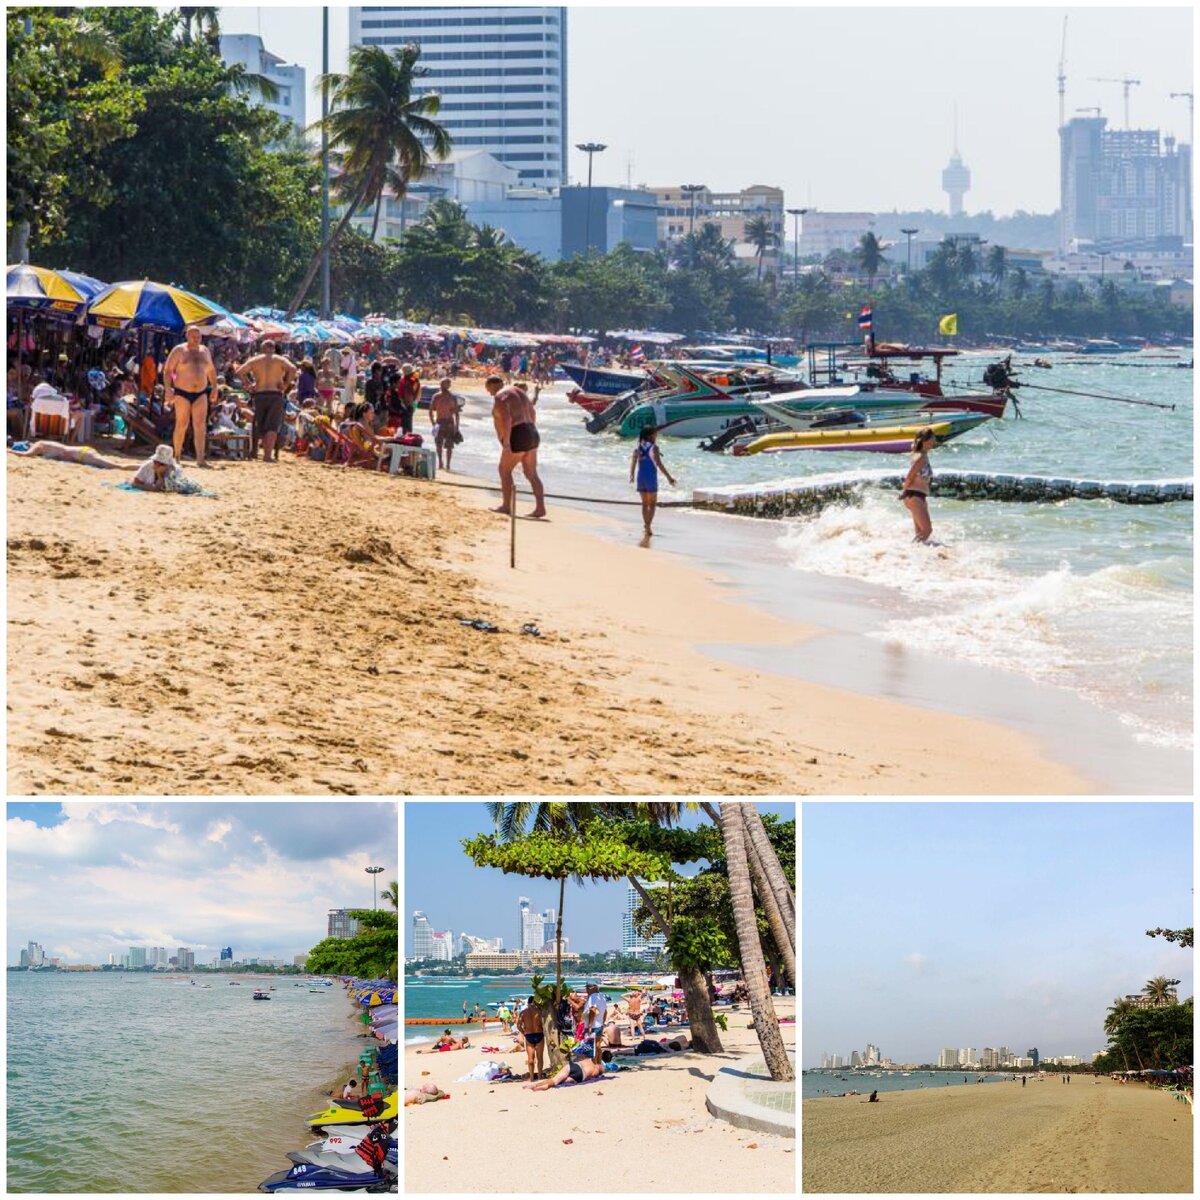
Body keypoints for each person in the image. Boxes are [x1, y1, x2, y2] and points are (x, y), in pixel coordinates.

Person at [485, 374, 546, 518]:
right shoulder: (519, 392)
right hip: (532, 432)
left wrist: (506, 442)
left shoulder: (500, 396)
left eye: (488, 389)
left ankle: (506, 506)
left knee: (504, 470)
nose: (489, 393)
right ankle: (540, 507)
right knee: (531, 473)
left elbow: (506, 418)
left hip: (517, 433)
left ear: (494, 384)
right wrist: (529, 430)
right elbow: (533, 412)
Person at [163, 325, 219, 468]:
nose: (196, 339)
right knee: (182, 423)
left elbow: (211, 370)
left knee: (200, 425)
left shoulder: (205, 351)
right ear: (187, 336)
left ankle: (200, 458)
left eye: (199, 337)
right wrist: (168, 389)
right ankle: (177, 456)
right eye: (194, 336)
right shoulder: (179, 350)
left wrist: (215, 387)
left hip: (201, 391)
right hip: (182, 391)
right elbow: (168, 370)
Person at [232, 340, 296, 462]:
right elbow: (292, 369)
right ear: (273, 348)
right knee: (272, 425)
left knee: (259, 423)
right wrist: (286, 384)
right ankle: (267, 456)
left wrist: (248, 384)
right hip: (275, 393)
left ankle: (255, 453)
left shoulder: (255, 360)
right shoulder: (280, 359)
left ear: (262, 348)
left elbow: (239, 371)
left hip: (260, 394)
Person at [629, 425, 676, 537]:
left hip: (641, 477)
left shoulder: (638, 448)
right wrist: (669, 478)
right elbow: (659, 464)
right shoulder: (654, 448)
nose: (656, 436)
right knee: (652, 504)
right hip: (651, 477)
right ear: (650, 436)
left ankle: (646, 525)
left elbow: (634, 462)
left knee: (645, 504)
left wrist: (631, 475)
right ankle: (648, 526)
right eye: (655, 434)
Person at [899, 427, 936, 543]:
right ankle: (909, 551)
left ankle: (916, 555)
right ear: (926, 440)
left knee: (920, 533)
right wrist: (903, 491)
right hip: (914, 496)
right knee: (927, 530)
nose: (934, 441)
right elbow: (910, 475)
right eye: (933, 439)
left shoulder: (922, 455)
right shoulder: (920, 457)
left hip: (918, 496)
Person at [10, 440, 136, 470]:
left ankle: (145, 465)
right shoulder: (44, 443)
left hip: (81, 454)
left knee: (119, 467)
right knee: (116, 465)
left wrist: (9, 451)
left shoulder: (38, 445)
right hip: (82, 451)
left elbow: (26, 455)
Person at [523, 1051, 610, 1091]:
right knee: (557, 1082)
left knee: (555, 1079)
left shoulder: (592, 1059)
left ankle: (534, 1085)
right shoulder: (599, 1069)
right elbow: (595, 1076)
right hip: (581, 1075)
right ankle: (541, 1087)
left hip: (576, 1066)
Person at [429, 377, 462, 470]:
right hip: (449, 423)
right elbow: (456, 413)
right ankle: (446, 464)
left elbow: (431, 411)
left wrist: (433, 423)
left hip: (441, 422)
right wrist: (457, 427)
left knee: (440, 445)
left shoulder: (437, 396)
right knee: (448, 446)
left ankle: (441, 463)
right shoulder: (452, 397)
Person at [517, 995, 545, 1081]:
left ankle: (532, 1078)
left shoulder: (523, 1012)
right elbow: (544, 1024)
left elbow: (518, 1025)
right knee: (539, 1058)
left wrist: (524, 1032)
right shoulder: (539, 1011)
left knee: (531, 1059)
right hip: (539, 1034)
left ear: (528, 1003)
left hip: (529, 1036)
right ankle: (539, 1077)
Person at [581, 983, 608, 1065]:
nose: (586, 990)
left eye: (588, 988)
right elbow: (605, 1011)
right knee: (598, 1046)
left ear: (592, 988)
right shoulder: (601, 996)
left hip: (593, 1026)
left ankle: (594, 1066)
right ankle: (599, 1065)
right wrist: (602, 1022)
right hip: (599, 1024)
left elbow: (592, 1010)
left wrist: (589, 1025)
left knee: (591, 1048)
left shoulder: (593, 997)